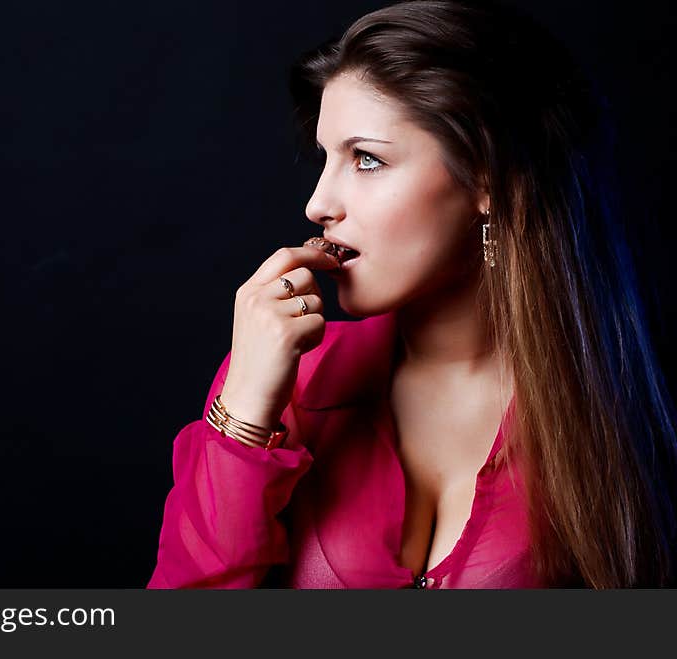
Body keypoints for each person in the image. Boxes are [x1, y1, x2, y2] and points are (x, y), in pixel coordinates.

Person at [147, 0, 677, 588]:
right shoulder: (290, 383)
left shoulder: (619, 403)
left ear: (488, 179)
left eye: (366, 159)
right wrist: (243, 414)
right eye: (326, 159)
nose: (318, 204)